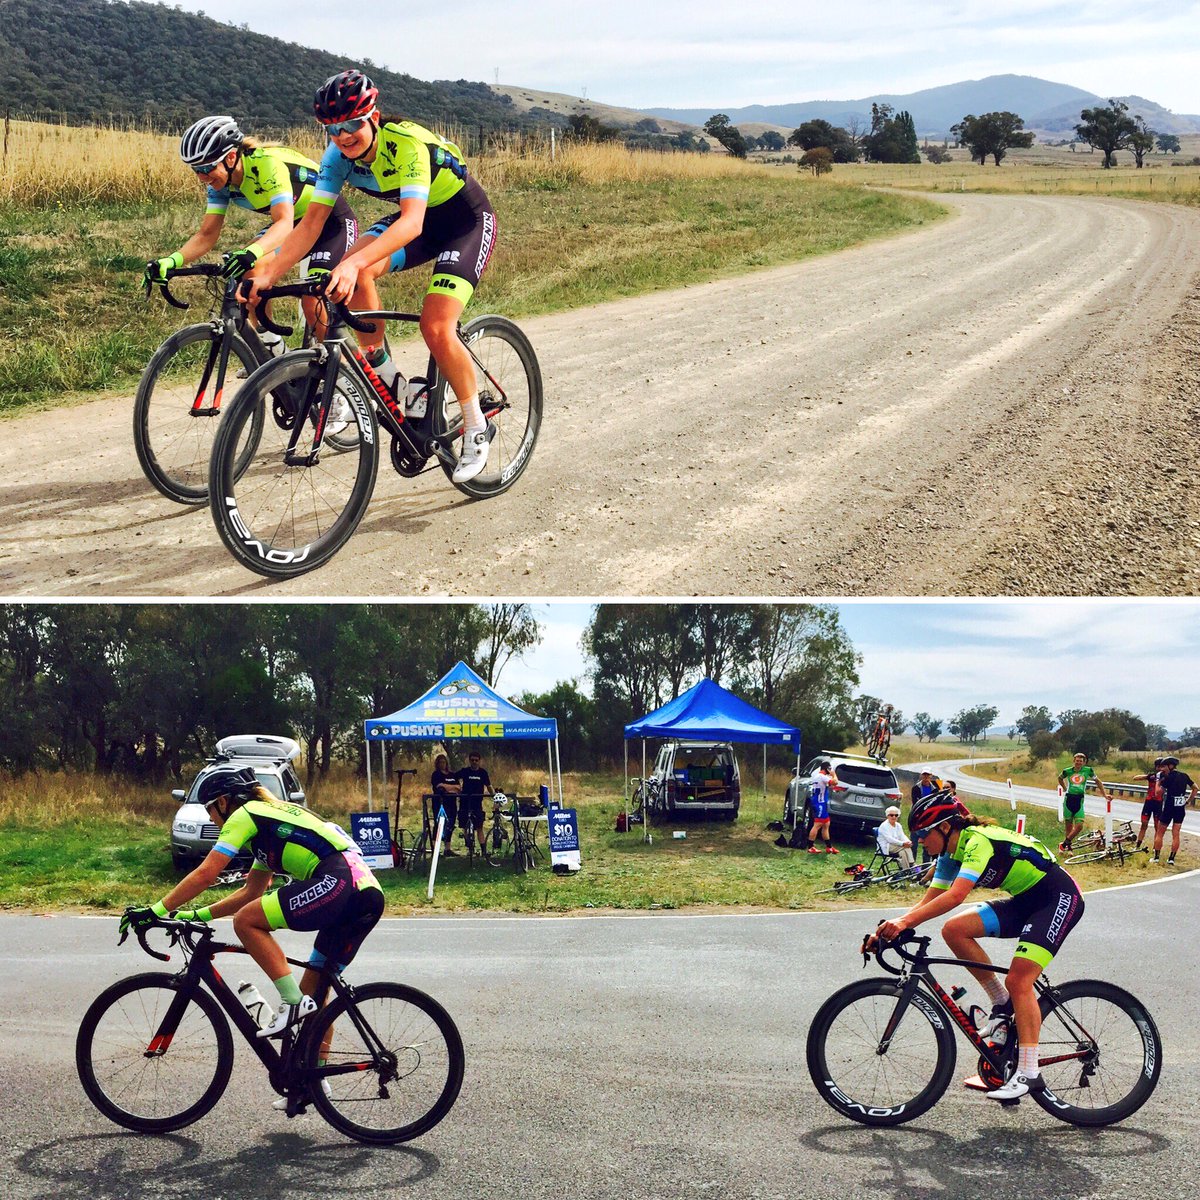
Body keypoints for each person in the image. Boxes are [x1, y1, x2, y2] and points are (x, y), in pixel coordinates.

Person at [242, 70, 499, 483]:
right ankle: (391, 379)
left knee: (435, 325)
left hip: (463, 223)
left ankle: (475, 424)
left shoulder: (407, 146)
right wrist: (268, 273)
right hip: (416, 220)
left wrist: (353, 261)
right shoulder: (336, 159)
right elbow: (308, 227)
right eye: (332, 129)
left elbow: (412, 224)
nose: (343, 136)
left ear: (372, 117)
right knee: (347, 275)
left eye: (351, 125)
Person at [119, 765, 384, 1041]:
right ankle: (316, 1083)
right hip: (365, 894)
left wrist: (155, 910)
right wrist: (196, 915)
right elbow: (250, 892)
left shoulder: (245, 815)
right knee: (315, 1003)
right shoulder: (267, 827)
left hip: (340, 882)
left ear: (223, 802)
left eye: (209, 810)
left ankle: (292, 1004)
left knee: (246, 921)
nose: (210, 819)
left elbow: (206, 874)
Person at [871, 790, 1084, 1101]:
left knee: (1020, 980)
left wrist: (904, 924)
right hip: (1025, 901)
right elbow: (930, 900)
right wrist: (891, 928)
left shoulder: (976, 842)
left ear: (945, 828)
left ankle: (1029, 1073)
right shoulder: (948, 855)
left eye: (923, 834)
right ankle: (1001, 1002)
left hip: (1058, 898)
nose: (919, 842)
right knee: (954, 930)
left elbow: (955, 896)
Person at [145, 115, 359, 370]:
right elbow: (207, 234)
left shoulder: (266, 165)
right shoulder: (219, 181)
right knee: (251, 275)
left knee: (313, 300)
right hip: (295, 224)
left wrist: (250, 251)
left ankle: (341, 377)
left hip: (330, 223)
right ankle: (273, 352)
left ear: (231, 157)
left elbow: (283, 222)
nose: (202, 177)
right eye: (196, 170)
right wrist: (171, 260)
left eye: (206, 168)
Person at [1056, 752, 1108, 852]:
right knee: (1069, 826)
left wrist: (1104, 794)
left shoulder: (1088, 770)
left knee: (1079, 826)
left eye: (1080, 761)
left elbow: (1098, 781)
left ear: (1084, 762)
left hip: (1079, 799)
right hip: (1069, 799)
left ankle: (1063, 844)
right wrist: (1064, 788)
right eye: (1077, 761)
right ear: (1074, 761)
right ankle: (1068, 848)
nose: (1078, 763)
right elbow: (1060, 778)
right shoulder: (1067, 771)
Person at [1154, 756, 1196, 865]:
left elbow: (1158, 793)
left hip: (1169, 807)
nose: (1163, 769)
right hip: (1180, 807)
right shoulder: (1184, 776)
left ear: (1170, 766)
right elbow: (1195, 788)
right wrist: (1188, 801)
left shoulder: (1167, 778)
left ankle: (1156, 857)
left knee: (1160, 832)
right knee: (1176, 833)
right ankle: (1171, 858)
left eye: (1164, 766)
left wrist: (1158, 781)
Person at [456, 750, 494, 850]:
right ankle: (469, 847)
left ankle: (483, 850)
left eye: (476, 760)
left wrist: (494, 796)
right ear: (469, 760)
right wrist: (457, 789)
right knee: (465, 825)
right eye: (472, 760)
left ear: (479, 761)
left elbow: (489, 786)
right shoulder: (465, 771)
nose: (474, 762)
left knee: (479, 827)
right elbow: (454, 778)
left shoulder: (483, 772)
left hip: (477, 803)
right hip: (465, 801)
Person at [430, 752, 462, 856]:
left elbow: (459, 788)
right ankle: (435, 849)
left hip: (452, 803)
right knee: (439, 824)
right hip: (440, 803)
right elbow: (439, 786)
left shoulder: (452, 775)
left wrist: (447, 787)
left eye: (444, 762)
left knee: (450, 825)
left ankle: (447, 849)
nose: (442, 764)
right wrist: (451, 788)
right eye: (440, 762)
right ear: (437, 764)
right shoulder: (436, 774)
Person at [806, 760, 839, 854]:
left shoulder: (817, 776)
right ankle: (810, 846)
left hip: (821, 802)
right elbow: (835, 782)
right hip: (819, 803)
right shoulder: (822, 776)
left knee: (826, 824)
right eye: (829, 769)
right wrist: (834, 774)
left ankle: (829, 847)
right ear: (826, 769)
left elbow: (827, 785)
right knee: (818, 824)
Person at [1132, 758, 1165, 851]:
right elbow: (1135, 778)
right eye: (1159, 766)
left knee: (1157, 827)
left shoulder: (1166, 777)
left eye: (1162, 766)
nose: (1160, 768)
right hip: (1149, 802)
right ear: (1156, 767)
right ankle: (1138, 845)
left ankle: (1155, 848)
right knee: (1144, 824)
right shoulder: (1152, 776)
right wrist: (1147, 776)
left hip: (1158, 803)